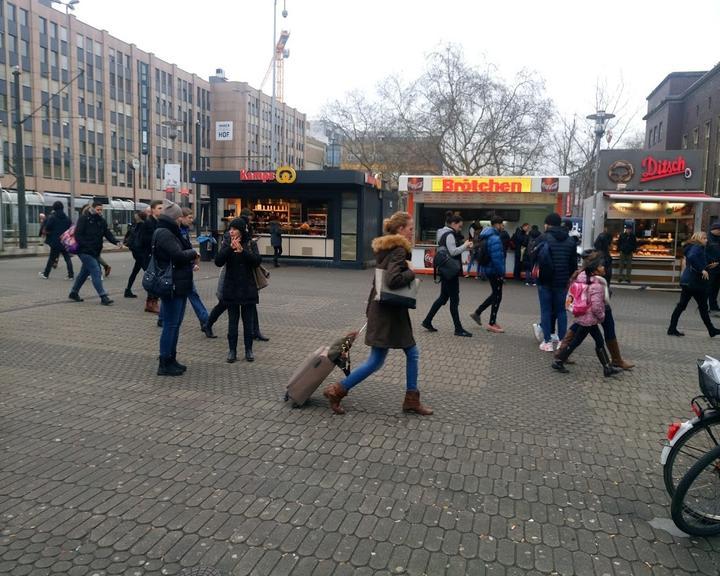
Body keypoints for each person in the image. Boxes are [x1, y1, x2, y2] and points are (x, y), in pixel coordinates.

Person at [322, 211, 432, 416]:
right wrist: (412, 272)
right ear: (400, 230)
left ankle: (338, 390)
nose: (411, 232)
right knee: (391, 358)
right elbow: (392, 280)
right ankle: (337, 390)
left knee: (381, 359)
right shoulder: (399, 250)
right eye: (409, 228)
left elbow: (377, 283)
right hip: (390, 315)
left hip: (384, 312)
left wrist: (369, 311)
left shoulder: (386, 249)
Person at [555, 250, 635, 370]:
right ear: (595, 267)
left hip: (583, 313)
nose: (604, 267)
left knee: (580, 332)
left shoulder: (581, 274)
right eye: (601, 265)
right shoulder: (597, 281)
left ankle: (561, 355)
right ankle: (614, 361)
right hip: (595, 312)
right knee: (604, 331)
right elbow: (598, 301)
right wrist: (601, 314)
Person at [153, 200, 199, 376]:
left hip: (179, 282)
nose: (182, 220)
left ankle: (171, 358)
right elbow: (178, 255)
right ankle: (164, 362)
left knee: (175, 324)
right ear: (174, 218)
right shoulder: (164, 233)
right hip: (172, 284)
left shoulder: (173, 232)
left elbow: (182, 250)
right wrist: (193, 253)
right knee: (171, 325)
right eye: (180, 217)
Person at [214, 217, 262, 363]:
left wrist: (242, 251)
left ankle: (249, 350)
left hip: (248, 287)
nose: (231, 231)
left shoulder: (250, 243)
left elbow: (257, 261)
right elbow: (218, 261)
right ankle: (232, 351)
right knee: (232, 322)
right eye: (230, 229)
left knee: (248, 322)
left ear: (241, 230)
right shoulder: (226, 242)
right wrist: (229, 248)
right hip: (232, 287)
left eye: (234, 229)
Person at [421, 214, 473, 336]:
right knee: (454, 300)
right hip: (450, 272)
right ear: (453, 223)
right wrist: (465, 246)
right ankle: (458, 329)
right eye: (460, 226)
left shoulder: (442, 233)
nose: (460, 228)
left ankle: (427, 321)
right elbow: (453, 251)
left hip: (445, 271)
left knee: (443, 298)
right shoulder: (449, 235)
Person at [533, 212, 578, 352]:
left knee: (546, 311)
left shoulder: (543, 237)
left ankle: (547, 342)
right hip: (562, 282)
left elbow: (532, 256)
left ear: (547, 224)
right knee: (561, 311)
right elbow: (573, 265)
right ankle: (561, 342)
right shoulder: (570, 241)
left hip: (545, 281)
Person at [668, 231, 720, 338]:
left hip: (688, 282)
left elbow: (695, 261)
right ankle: (711, 330)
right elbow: (692, 257)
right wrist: (702, 270)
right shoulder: (697, 247)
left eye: (706, 238)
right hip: (696, 284)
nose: (706, 240)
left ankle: (672, 328)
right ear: (698, 238)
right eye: (704, 238)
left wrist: (709, 266)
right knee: (702, 307)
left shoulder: (693, 247)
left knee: (682, 306)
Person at [69, 200, 122, 305]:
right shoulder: (84, 219)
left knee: (84, 273)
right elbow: (78, 235)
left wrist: (116, 242)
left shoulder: (101, 220)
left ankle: (74, 292)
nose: (100, 212)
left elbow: (107, 233)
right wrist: (86, 246)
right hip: (84, 251)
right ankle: (103, 296)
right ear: (92, 208)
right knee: (96, 270)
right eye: (98, 209)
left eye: (101, 210)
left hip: (95, 251)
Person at [469, 215, 506, 333]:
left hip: (488, 269)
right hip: (494, 270)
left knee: (496, 294)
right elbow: (497, 258)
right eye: (502, 224)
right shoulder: (494, 238)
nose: (503, 226)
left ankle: (478, 313)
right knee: (497, 296)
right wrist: (501, 273)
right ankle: (491, 323)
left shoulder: (486, 235)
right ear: (497, 224)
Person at [177, 208, 210, 332]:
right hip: (182, 269)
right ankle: (205, 320)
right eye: (189, 217)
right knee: (192, 294)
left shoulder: (184, 231)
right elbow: (181, 251)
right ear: (182, 217)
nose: (192, 220)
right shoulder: (179, 232)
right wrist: (191, 263)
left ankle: (163, 318)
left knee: (186, 294)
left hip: (184, 268)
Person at [139, 200, 164, 314]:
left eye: (162, 208)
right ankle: (151, 304)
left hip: (156, 255)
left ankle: (153, 302)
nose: (161, 210)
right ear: (153, 209)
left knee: (156, 279)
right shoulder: (148, 223)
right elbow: (144, 240)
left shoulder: (159, 222)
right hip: (148, 255)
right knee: (153, 279)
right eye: (159, 208)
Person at [39, 201, 74, 280]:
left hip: (55, 242)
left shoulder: (53, 218)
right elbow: (70, 229)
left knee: (51, 259)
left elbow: (47, 228)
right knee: (67, 258)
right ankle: (71, 275)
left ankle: (46, 274)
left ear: (54, 208)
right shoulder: (67, 219)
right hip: (65, 241)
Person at [123, 211, 147, 298]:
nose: (135, 216)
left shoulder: (135, 225)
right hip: (141, 252)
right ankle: (153, 292)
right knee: (148, 272)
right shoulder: (142, 225)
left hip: (136, 251)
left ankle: (128, 290)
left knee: (135, 271)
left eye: (136, 215)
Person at [706, 222, 720, 314]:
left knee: (716, 288)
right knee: (707, 288)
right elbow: (703, 252)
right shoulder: (706, 238)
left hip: (718, 267)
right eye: (719, 230)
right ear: (714, 229)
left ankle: (714, 306)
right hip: (710, 268)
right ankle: (704, 306)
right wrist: (711, 262)